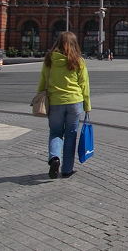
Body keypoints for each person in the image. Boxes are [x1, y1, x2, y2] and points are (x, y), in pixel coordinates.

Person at [38, 31, 90, 179]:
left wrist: (40, 96)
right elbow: (84, 85)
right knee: (71, 135)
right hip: (75, 102)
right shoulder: (78, 60)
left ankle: (55, 158)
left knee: (55, 133)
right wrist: (87, 105)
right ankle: (67, 170)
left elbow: (43, 80)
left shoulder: (49, 59)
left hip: (55, 102)